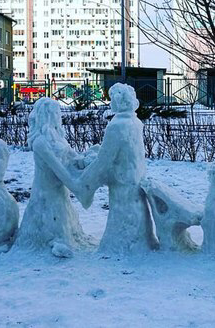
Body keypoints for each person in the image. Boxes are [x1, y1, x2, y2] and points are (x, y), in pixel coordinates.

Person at [76, 83, 157, 254]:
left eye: (111, 98)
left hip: (121, 181)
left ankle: (119, 248)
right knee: (134, 214)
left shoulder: (117, 126)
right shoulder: (134, 122)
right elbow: (123, 151)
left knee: (122, 218)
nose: (110, 101)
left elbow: (104, 162)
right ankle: (138, 243)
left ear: (118, 101)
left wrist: (84, 183)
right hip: (135, 177)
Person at [15, 97, 92, 257]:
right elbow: (59, 169)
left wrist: (87, 160)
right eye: (54, 113)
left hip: (60, 190)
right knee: (49, 218)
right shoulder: (40, 143)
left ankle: (63, 239)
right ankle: (50, 241)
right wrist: (78, 188)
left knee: (63, 218)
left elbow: (72, 158)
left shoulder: (59, 138)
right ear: (45, 115)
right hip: (46, 190)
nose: (58, 117)